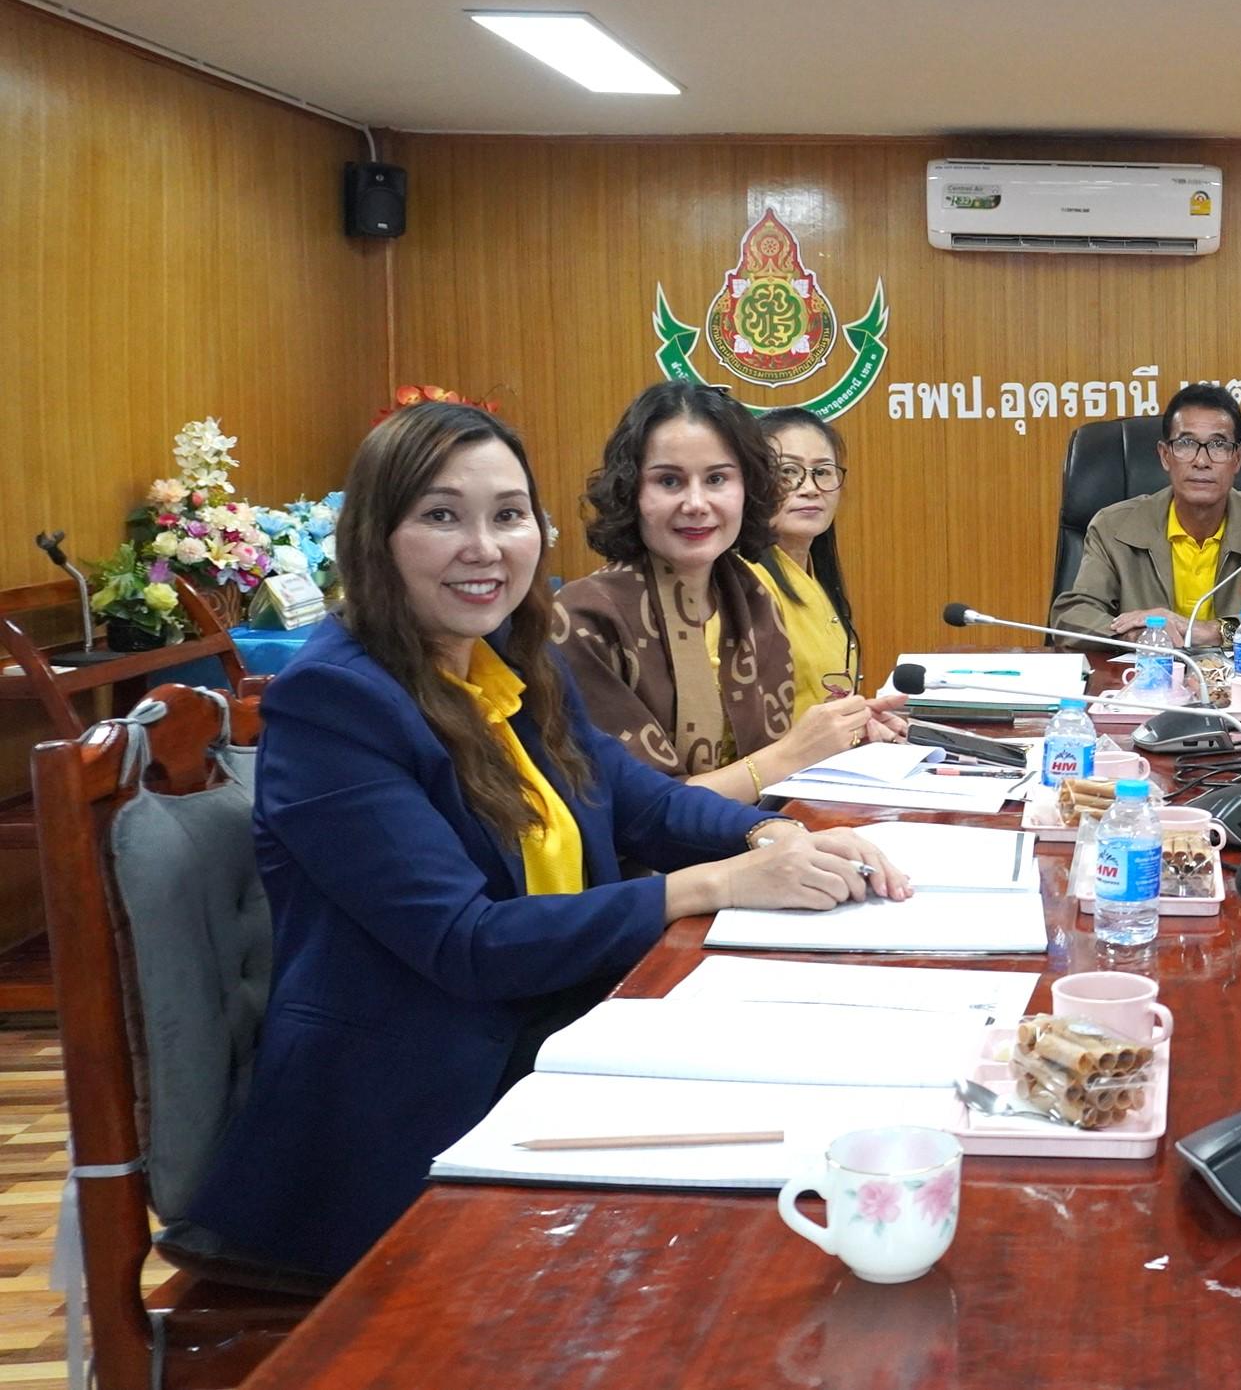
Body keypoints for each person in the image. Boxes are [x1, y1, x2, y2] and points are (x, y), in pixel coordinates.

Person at [187, 403, 912, 1277]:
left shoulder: (508, 658)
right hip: (415, 1108)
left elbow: (639, 802)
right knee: (742, 1233)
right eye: (442, 516)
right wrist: (711, 886)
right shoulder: (334, 702)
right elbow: (468, 945)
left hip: (558, 1035)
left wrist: (769, 832)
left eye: (507, 515)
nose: (484, 547)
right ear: (376, 538)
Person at [554, 381, 906, 801]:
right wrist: (792, 757)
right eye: (669, 481)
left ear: (749, 489)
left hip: (762, 838)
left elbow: (767, 764)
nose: (696, 503)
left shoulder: (751, 597)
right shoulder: (583, 620)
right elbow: (638, 815)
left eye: (717, 478)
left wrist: (843, 740)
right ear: (631, 492)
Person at [1049, 382, 1241, 649]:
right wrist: (1134, 635)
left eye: (1218, 444)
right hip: (1146, 683)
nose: (1202, 461)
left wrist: (1215, 631)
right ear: (1165, 456)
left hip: (1239, 684)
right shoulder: (1113, 528)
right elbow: (1071, 617)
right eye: (1187, 443)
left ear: (1237, 459)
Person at [756, 405, 858, 713]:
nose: (811, 489)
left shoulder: (814, 578)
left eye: (823, 472)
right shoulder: (746, 583)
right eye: (788, 472)